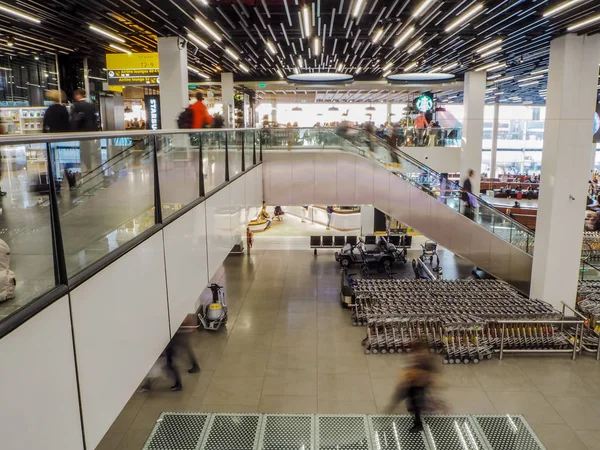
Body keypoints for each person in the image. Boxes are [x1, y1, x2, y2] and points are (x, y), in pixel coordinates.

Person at [386, 340, 437, 432]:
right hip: (413, 384)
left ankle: (418, 424)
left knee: (415, 404)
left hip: (418, 386)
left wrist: (417, 376)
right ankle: (390, 409)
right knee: (402, 397)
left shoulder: (425, 359)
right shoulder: (419, 357)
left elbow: (428, 374)